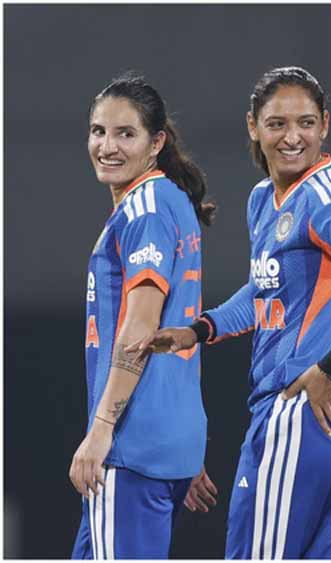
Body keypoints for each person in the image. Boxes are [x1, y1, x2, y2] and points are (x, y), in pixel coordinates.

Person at [131, 66, 331, 559]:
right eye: (277, 124)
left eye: (306, 123)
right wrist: (200, 329)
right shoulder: (265, 198)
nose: (292, 137)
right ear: (253, 126)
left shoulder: (324, 201)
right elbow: (267, 291)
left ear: (325, 124)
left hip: (303, 411)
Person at [69, 73, 215, 559]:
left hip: (132, 448)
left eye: (125, 134)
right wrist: (184, 446)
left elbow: (141, 328)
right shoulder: (172, 201)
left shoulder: (145, 210)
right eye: (98, 131)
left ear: (156, 143)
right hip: (168, 441)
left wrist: (101, 429)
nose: (107, 146)